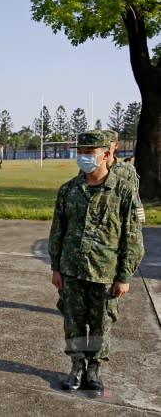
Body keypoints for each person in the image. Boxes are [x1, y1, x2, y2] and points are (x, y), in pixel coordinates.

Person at [49, 130, 144, 395]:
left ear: (106, 153)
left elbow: (133, 238)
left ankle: (94, 370)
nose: (84, 158)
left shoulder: (123, 191)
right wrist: (55, 267)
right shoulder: (69, 190)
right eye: (80, 153)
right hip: (72, 271)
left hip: (105, 273)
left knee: (102, 324)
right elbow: (58, 231)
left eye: (89, 153)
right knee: (73, 322)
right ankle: (77, 366)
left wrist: (124, 276)